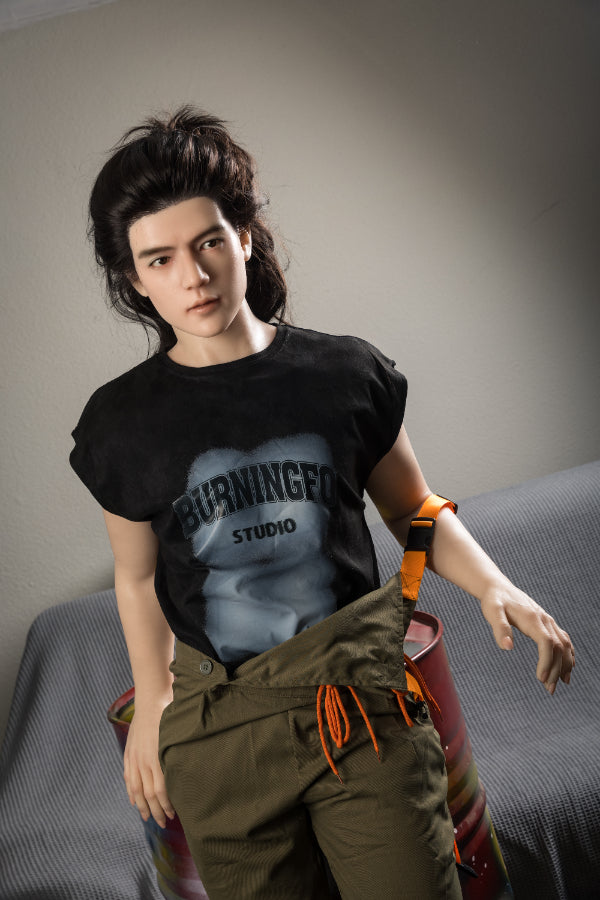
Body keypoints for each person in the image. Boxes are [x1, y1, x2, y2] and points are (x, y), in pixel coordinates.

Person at [70, 106, 574, 900]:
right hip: (222, 734)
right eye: (159, 259)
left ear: (243, 236)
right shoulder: (120, 423)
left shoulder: (344, 376)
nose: (192, 276)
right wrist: (157, 700)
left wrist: (495, 585)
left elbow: (414, 509)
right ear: (135, 279)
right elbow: (136, 577)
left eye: (207, 242)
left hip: (361, 710)